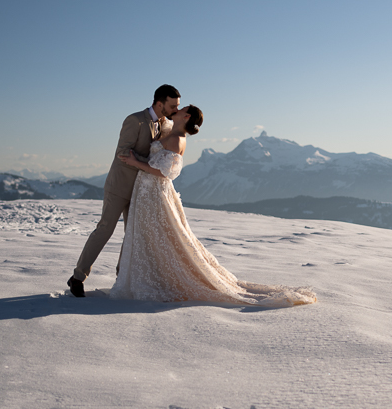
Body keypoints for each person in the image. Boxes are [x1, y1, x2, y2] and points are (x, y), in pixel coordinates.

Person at [111, 105, 316, 307]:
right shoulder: (171, 132)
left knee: (160, 236)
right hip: (147, 191)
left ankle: (159, 281)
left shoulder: (176, 138)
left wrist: (134, 162)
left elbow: (164, 173)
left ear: (186, 116)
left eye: (181, 109)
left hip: (155, 192)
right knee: (152, 236)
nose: (177, 110)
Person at [67, 84, 181, 297]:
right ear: (159, 103)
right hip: (119, 186)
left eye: (177, 106)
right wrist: (151, 164)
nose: (176, 110)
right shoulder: (134, 120)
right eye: (173, 105)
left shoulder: (167, 125)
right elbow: (123, 153)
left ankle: (122, 279)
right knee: (104, 230)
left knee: (132, 236)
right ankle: (78, 277)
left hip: (142, 191)